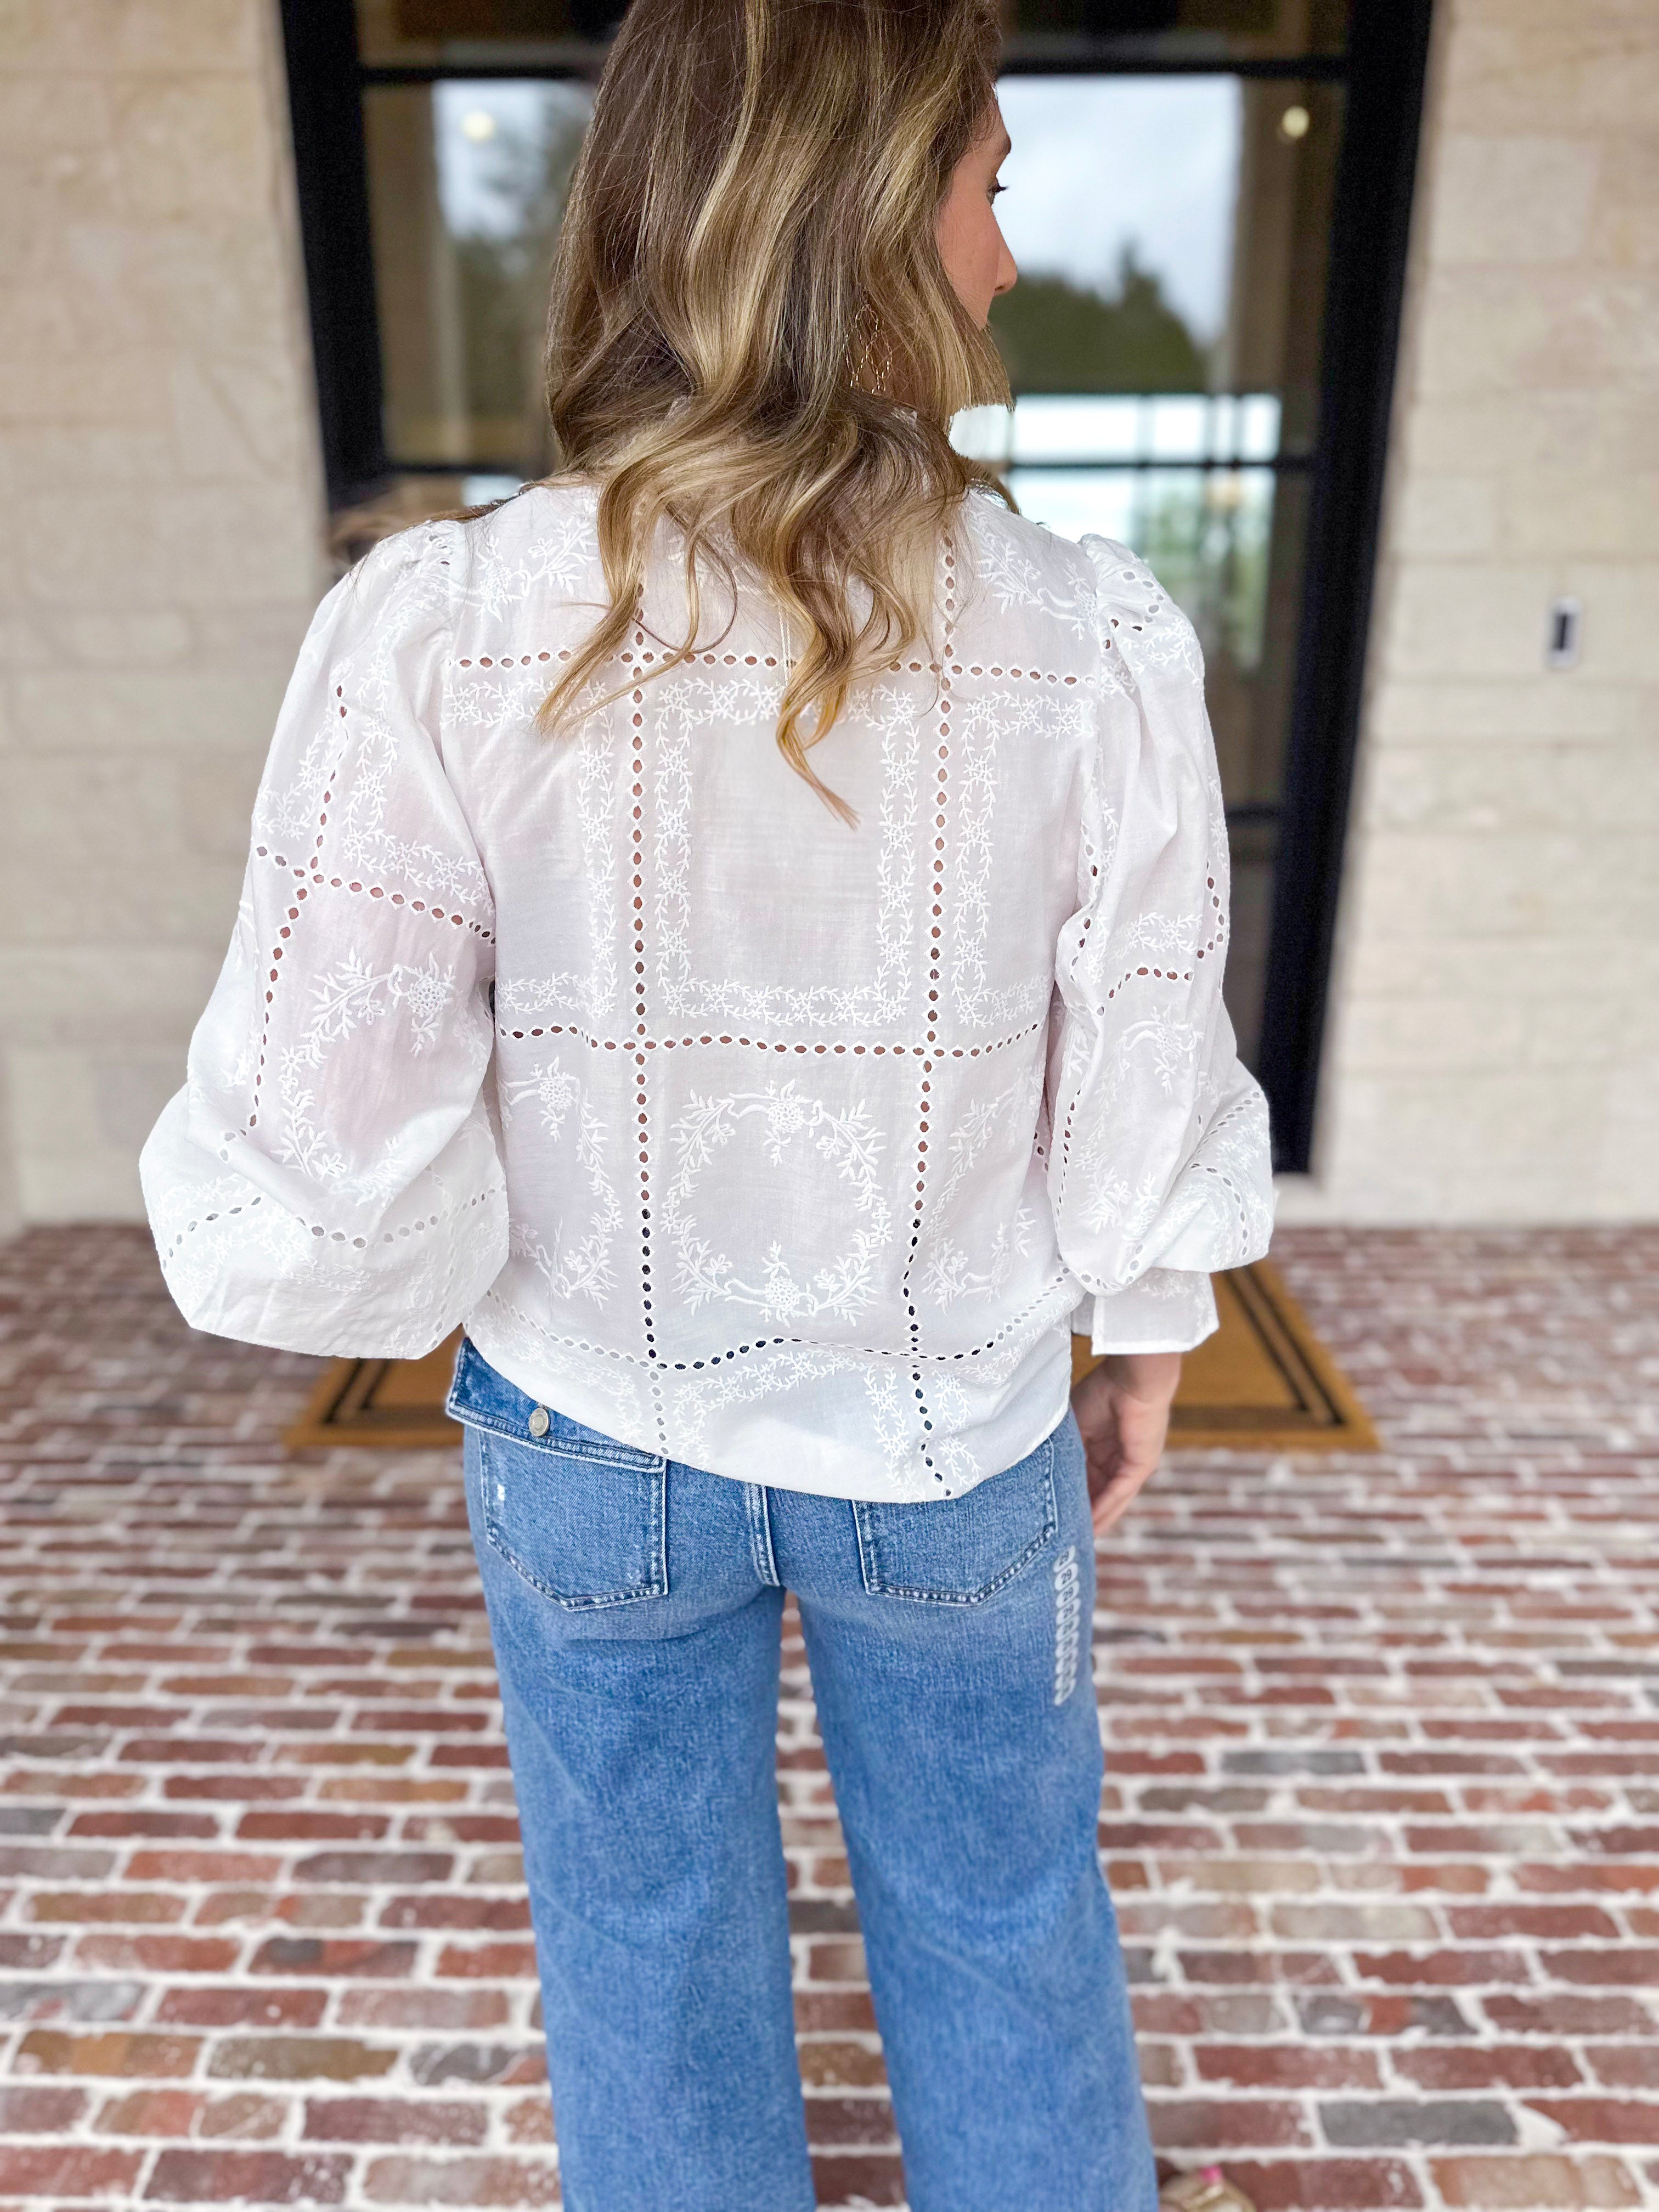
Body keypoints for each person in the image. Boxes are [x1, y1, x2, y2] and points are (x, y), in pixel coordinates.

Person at [141, 0, 1274, 2203]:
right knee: (1006, 1923)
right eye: (990, 189)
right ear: (863, 214)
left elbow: (325, 1115)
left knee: (642, 1949)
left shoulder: (447, 622)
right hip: (958, 1431)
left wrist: (483, 1249)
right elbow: (1143, 1060)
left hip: (587, 1424)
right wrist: (1150, 1327)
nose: (1008, 255)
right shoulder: (1086, 635)